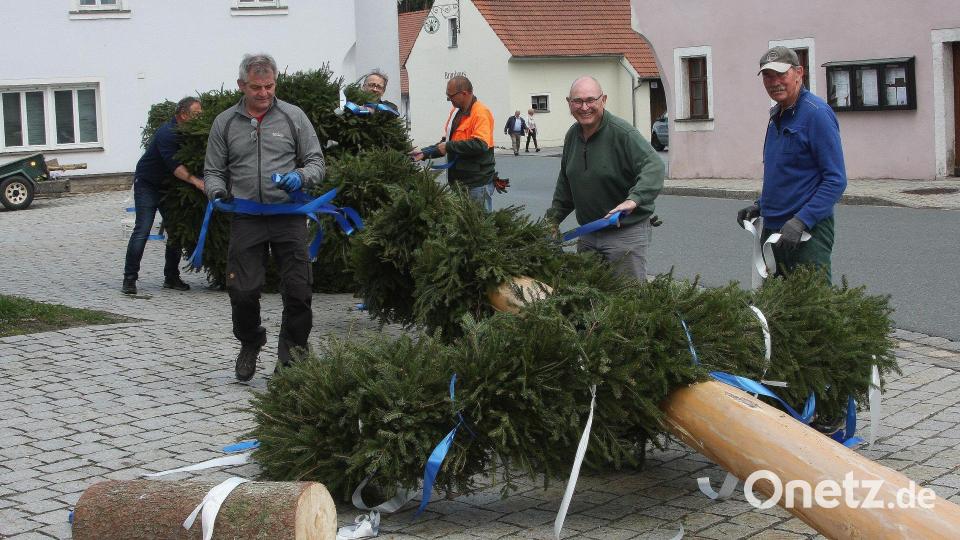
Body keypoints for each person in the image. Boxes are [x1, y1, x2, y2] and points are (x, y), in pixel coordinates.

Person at [203, 53, 325, 381]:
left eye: (269, 86)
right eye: (256, 87)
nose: (264, 93)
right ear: (242, 85)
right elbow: (213, 171)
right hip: (246, 217)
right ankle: (251, 340)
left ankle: (292, 358)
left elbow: (316, 161)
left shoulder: (293, 117)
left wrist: (300, 176)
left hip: (288, 216)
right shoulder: (225, 123)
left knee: (299, 291)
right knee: (241, 291)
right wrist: (216, 192)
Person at [737, 46, 846, 282]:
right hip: (774, 229)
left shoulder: (816, 114)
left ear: (799, 73)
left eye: (781, 74)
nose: (774, 82)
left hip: (807, 232)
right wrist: (760, 205)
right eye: (768, 76)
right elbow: (784, 172)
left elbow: (835, 180)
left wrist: (802, 220)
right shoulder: (776, 115)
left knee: (811, 308)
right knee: (776, 307)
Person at [546, 76, 664, 280]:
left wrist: (633, 199)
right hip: (589, 233)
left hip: (625, 232)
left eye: (591, 100)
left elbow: (654, 165)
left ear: (603, 100)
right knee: (590, 297)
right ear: (569, 103)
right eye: (578, 101)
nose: (584, 107)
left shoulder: (622, 133)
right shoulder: (572, 136)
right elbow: (566, 184)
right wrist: (552, 219)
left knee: (627, 301)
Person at [122, 97, 205, 296]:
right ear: (183, 115)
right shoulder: (167, 133)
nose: (200, 117)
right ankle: (129, 279)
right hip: (148, 184)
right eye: (197, 114)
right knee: (142, 229)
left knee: (175, 231)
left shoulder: (189, 131)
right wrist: (196, 181)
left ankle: (171, 277)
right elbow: (175, 167)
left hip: (168, 186)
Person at [412, 75, 496, 211]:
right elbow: (448, 142)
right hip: (458, 181)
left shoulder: (481, 113)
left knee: (478, 226)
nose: (449, 99)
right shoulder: (455, 112)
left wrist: (448, 146)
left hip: (476, 184)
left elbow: (481, 144)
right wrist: (425, 153)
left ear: (464, 93)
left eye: (450, 96)